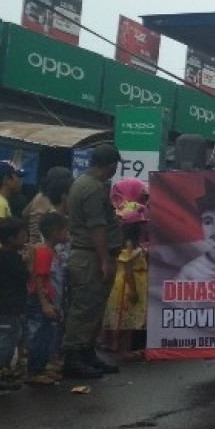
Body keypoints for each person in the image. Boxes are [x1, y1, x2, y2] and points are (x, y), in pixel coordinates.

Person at [62, 145, 124, 379]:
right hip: (90, 256)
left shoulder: (84, 183)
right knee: (84, 308)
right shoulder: (92, 188)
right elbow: (96, 227)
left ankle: (87, 354)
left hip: (90, 255)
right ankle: (74, 359)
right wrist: (104, 260)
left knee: (94, 309)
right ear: (109, 165)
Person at [0, 217, 29, 392]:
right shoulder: (9, 258)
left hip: (3, 305)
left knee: (3, 338)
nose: (26, 238)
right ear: (10, 239)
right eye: (23, 235)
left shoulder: (1, 256)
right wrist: (28, 263)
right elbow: (24, 276)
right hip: (7, 307)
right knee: (3, 340)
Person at [104, 179, 150, 361]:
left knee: (123, 319)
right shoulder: (130, 246)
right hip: (128, 285)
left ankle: (115, 345)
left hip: (125, 283)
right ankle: (123, 349)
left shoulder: (125, 242)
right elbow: (129, 268)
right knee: (125, 320)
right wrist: (133, 290)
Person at [24, 211, 68, 386]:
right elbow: (39, 278)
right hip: (43, 301)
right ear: (56, 231)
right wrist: (45, 304)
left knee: (48, 335)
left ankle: (41, 367)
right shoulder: (44, 252)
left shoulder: (49, 250)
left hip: (51, 300)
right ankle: (34, 371)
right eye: (65, 231)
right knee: (40, 336)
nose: (67, 234)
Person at [22, 166, 73, 244]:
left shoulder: (39, 196)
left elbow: (24, 214)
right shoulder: (51, 199)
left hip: (36, 241)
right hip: (43, 242)